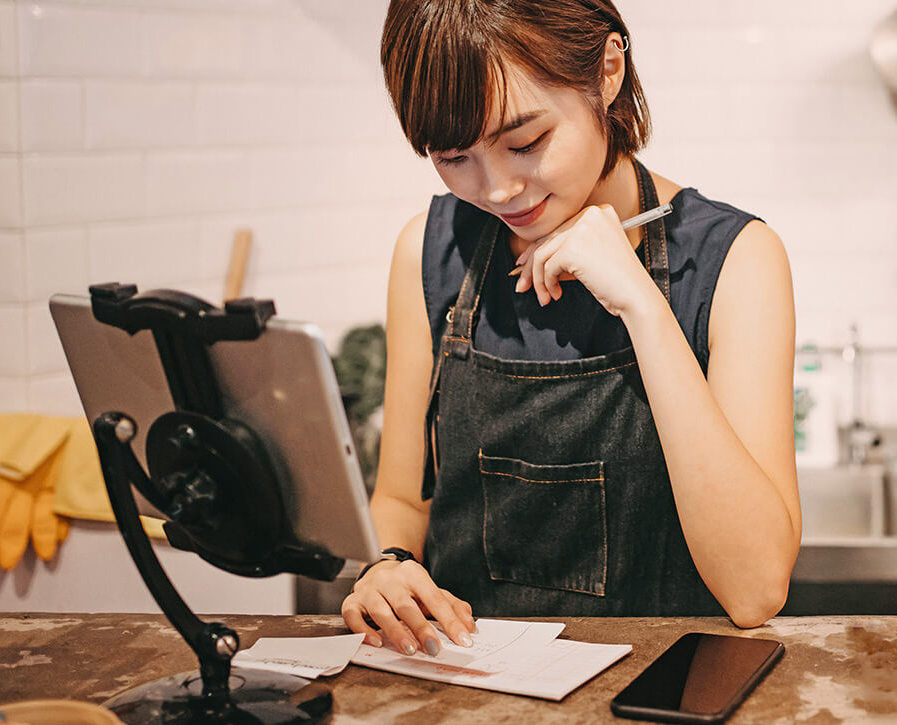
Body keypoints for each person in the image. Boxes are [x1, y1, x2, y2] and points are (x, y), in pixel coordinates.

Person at [341, 0, 802, 658]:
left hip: (662, 701)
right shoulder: (427, 252)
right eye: (454, 156)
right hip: (469, 694)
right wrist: (383, 567)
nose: (499, 189)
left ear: (608, 69)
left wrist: (642, 306)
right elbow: (402, 500)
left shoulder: (737, 259)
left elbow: (755, 589)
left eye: (524, 143)